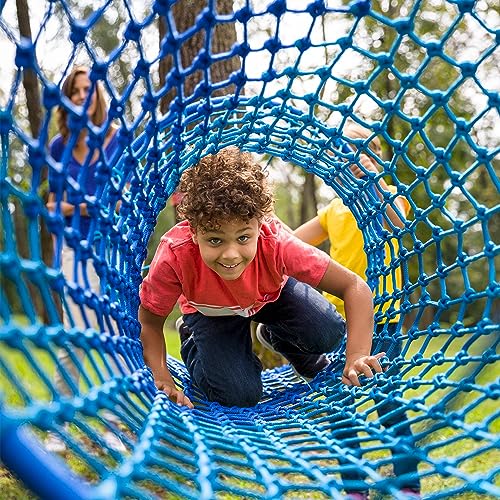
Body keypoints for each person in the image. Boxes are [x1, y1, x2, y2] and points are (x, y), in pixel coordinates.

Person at [138, 146, 384, 412]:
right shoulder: (176, 253)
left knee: (329, 332)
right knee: (239, 394)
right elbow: (150, 321)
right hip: (210, 312)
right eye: (214, 240)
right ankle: (193, 340)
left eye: (244, 237)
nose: (230, 254)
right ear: (194, 231)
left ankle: (274, 333)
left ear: (260, 224)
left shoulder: (275, 242)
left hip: (270, 297)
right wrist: (161, 376)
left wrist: (357, 355)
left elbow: (354, 286)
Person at [294, 123, 420, 498]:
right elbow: (293, 240)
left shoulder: (391, 196)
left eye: (366, 150)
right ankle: (354, 488)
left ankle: (408, 486)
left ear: (379, 157)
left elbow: (400, 224)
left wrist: (376, 187)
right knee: (338, 405)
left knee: (387, 400)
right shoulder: (334, 209)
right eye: (347, 151)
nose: (357, 157)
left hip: (382, 319)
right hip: (336, 322)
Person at [46, 65, 124, 452]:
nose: (81, 96)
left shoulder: (115, 141)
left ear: (97, 97)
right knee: (73, 335)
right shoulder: (59, 147)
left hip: (108, 253)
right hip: (72, 252)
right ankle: (60, 424)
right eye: (75, 91)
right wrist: (84, 207)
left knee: (110, 337)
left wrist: (79, 207)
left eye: (87, 91)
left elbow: (119, 202)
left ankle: (115, 424)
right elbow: (50, 203)